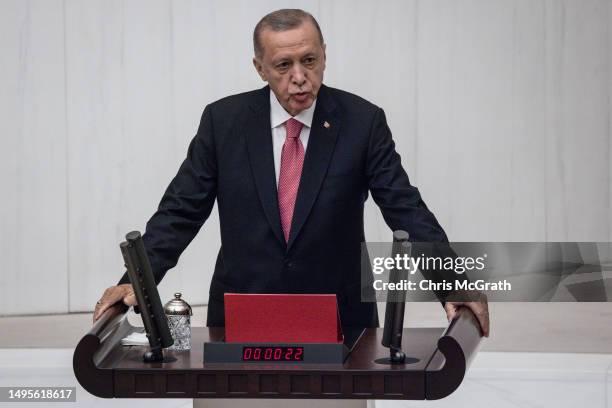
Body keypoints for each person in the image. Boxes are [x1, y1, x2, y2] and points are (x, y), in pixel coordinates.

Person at [93, 9, 489, 337]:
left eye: (309, 60)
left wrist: (453, 283)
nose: (299, 76)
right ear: (260, 68)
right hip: (243, 313)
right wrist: (136, 282)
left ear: (324, 56)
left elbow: (405, 208)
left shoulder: (362, 122)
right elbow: (180, 212)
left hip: (339, 317)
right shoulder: (223, 122)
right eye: (283, 65)